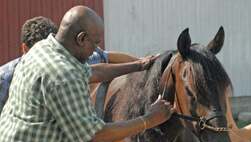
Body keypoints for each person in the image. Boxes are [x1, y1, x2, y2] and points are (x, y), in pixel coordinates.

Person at [0, 6, 174, 142]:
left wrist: (139, 65)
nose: (96, 50)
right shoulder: (62, 76)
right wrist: (149, 119)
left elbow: (93, 71)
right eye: (95, 43)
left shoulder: (45, 49)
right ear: (81, 38)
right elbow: (94, 135)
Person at [0, 16, 156, 114]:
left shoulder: (68, 59)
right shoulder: (4, 78)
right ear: (24, 49)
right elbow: (93, 135)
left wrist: (144, 65)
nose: (48, 60)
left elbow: (106, 58)